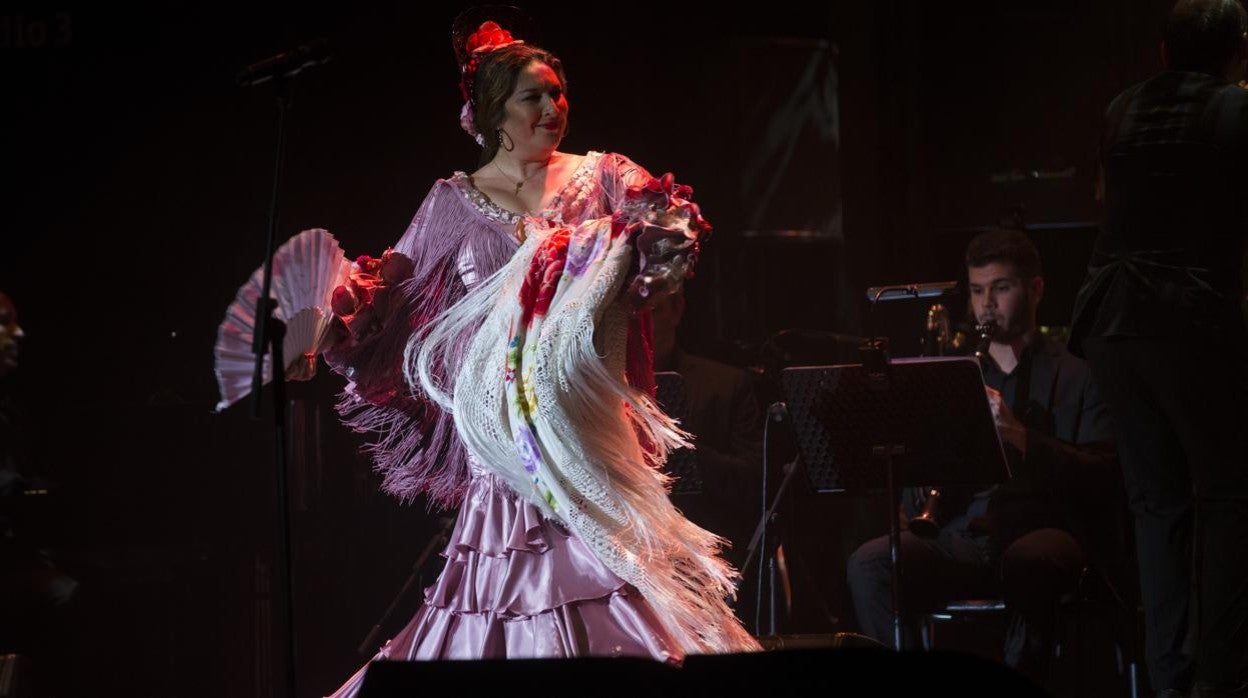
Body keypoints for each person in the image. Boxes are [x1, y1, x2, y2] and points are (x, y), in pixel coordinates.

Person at [323, 17, 758, 697]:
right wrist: (342, 319)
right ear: (494, 113)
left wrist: (639, 257)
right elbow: (391, 310)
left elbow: (671, 237)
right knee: (504, 580)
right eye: (534, 97)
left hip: (585, 418)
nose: (553, 109)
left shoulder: (605, 176)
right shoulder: (450, 204)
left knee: (611, 566)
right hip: (501, 438)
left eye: (557, 94)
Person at [846, 230, 1120, 684]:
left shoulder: (1078, 376)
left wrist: (1020, 436)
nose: (986, 304)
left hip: (1043, 531)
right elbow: (914, 497)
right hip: (964, 538)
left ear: (1035, 289)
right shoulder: (954, 375)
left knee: (1031, 560)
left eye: (1001, 288)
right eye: (976, 291)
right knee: (870, 563)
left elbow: (1104, 476)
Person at [1070, 1, 1248, 694]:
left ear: (1166, 52)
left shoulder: (1122, 107)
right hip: (1186, 317)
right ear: (1236, 49)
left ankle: (1169, 676)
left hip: (1114, 316)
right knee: (1230, 493)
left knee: (1156, 502)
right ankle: (1222, 677)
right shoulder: (1233, 109)